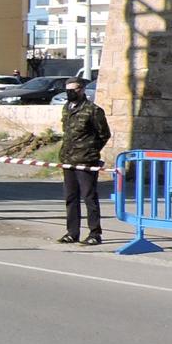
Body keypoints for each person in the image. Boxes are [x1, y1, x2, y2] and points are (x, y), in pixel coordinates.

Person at [56, 75, 111, 245]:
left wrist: (91, 151)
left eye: (74, 89)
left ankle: (95, 233)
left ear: (82, 90)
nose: (71, 93)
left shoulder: (93, 110)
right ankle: (72, 233)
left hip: (86, 160)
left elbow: (104, 134)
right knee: (71, 197)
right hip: (68, 159)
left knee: (89, 197)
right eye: (68, 90)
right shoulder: (67, 108)